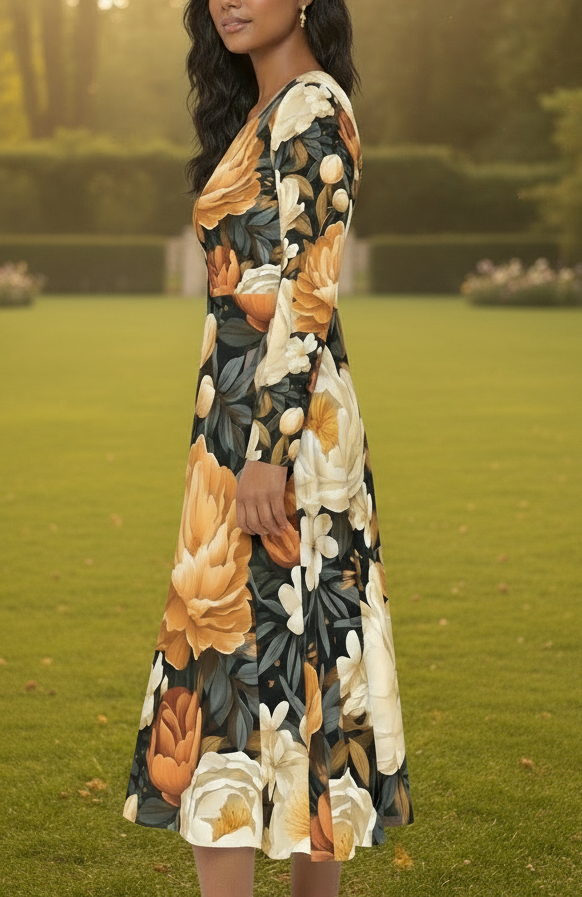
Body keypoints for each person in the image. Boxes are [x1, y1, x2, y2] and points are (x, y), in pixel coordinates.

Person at [123, 1, 414, 895]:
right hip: (235, 435)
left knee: (270, 674)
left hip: (280, 436)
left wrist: (268, 448)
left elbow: (309, 287)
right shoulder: (262, 112)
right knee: (271, 680)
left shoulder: (314, 107)